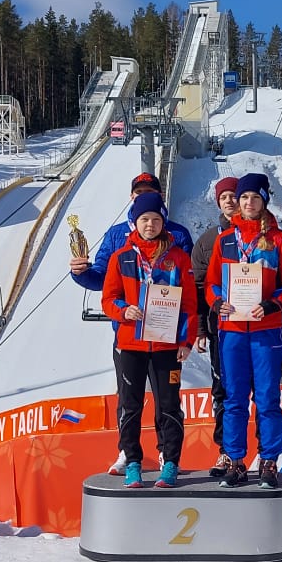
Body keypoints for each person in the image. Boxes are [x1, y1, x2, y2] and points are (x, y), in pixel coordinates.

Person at [70, 171, 194, 476]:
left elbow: (186, 288)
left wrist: (187, 336)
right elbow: (103, 281)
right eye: (138, 192)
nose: (143, 197)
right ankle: (128, 454)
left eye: (149, 192)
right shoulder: (117, 238)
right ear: (131, 198)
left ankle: (168, 455)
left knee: (168, 401)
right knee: (129, 399)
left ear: (161, 201)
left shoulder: (177, 237)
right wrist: (81, 272)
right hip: (129, 336)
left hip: (165, 334)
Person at [206, 172, 282, 489]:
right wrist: (217, 300)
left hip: (266, 331)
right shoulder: (225, 240)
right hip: (232, 329)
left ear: (264, 202)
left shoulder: (278, 240)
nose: (248, 203)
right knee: (234, 399)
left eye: (255, 198)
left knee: (267, 398)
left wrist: (275, 304)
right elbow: (210, 284)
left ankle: (269, 459)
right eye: (244, 197)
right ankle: (235, 460)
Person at [101, 192, 197, 488]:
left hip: (166, 344)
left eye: (156, 219)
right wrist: (124, 311)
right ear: (135, 222)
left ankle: (170, 461)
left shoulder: (178, 258)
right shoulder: (122, 258)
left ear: (163, 222)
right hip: (131, 343)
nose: (150, 225)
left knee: (168, 405)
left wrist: (187, 341)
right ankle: (132, 461)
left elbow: (191, 304)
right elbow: (108, 299)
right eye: (144, 219)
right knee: (130, 406)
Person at [190, 176, 240, 478]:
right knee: (223, 391)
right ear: (218, 203)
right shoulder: (209, 241)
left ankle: (264, 452)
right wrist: (199, 329)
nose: (231, 202)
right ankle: (226, 450)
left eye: (235, 196)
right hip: (221, 327)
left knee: (260, 394)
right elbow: (197, 286)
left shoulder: (264, 235)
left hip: (259, 325)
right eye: (225, 198)